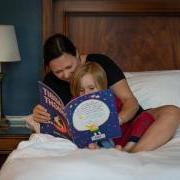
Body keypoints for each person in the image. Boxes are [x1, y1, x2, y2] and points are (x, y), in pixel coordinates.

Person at [32, 33, 180, 152]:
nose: (66, 75)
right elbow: (56, 119)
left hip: (128, 123)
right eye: (58, 71)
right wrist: (39, 113)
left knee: (172, 112)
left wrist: (114, 122)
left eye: (69, 67)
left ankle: (133, 154)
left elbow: (130, 102)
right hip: (90, 132)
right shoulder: (51, 81)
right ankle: (126, 154)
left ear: (77, 53)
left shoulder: (100, 63)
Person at [70, 62, 155, 151]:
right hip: (93, 137)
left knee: (145, 117)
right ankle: (95, 147)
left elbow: (123, 117)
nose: (86, 93)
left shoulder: (111, 99)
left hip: (119, 139)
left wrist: (118, 119)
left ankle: (128, 147)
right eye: (81, 90)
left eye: (91, 88)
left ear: (102, 86)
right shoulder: (76, 102)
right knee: (84, 134)